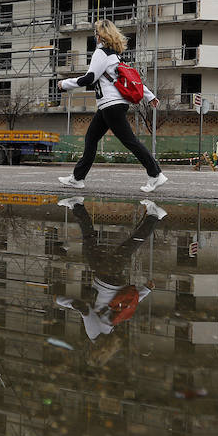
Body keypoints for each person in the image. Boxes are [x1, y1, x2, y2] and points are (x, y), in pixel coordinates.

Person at [58, 19, 167, 193]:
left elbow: (89, 78)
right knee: (91, 139)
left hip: (111, 105)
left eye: (95, 33)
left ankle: (155, 174)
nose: (94, 37)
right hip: (111, 106)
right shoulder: (116, 56)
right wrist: (150, 96)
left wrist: (65, 84)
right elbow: (132, 79)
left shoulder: (100, 53)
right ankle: (77, 178)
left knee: (130, 141)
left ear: (100, 36)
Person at [55, 197, 166, 359]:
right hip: (105, 278)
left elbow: (124, 303)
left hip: (112, 280)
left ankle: (77, 205)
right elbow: (83, 309)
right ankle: (155, 216)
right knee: (125, 247)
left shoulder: (108, 330)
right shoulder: (94, 334)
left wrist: (146, 290)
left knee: (92, 243)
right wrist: (59, 301)